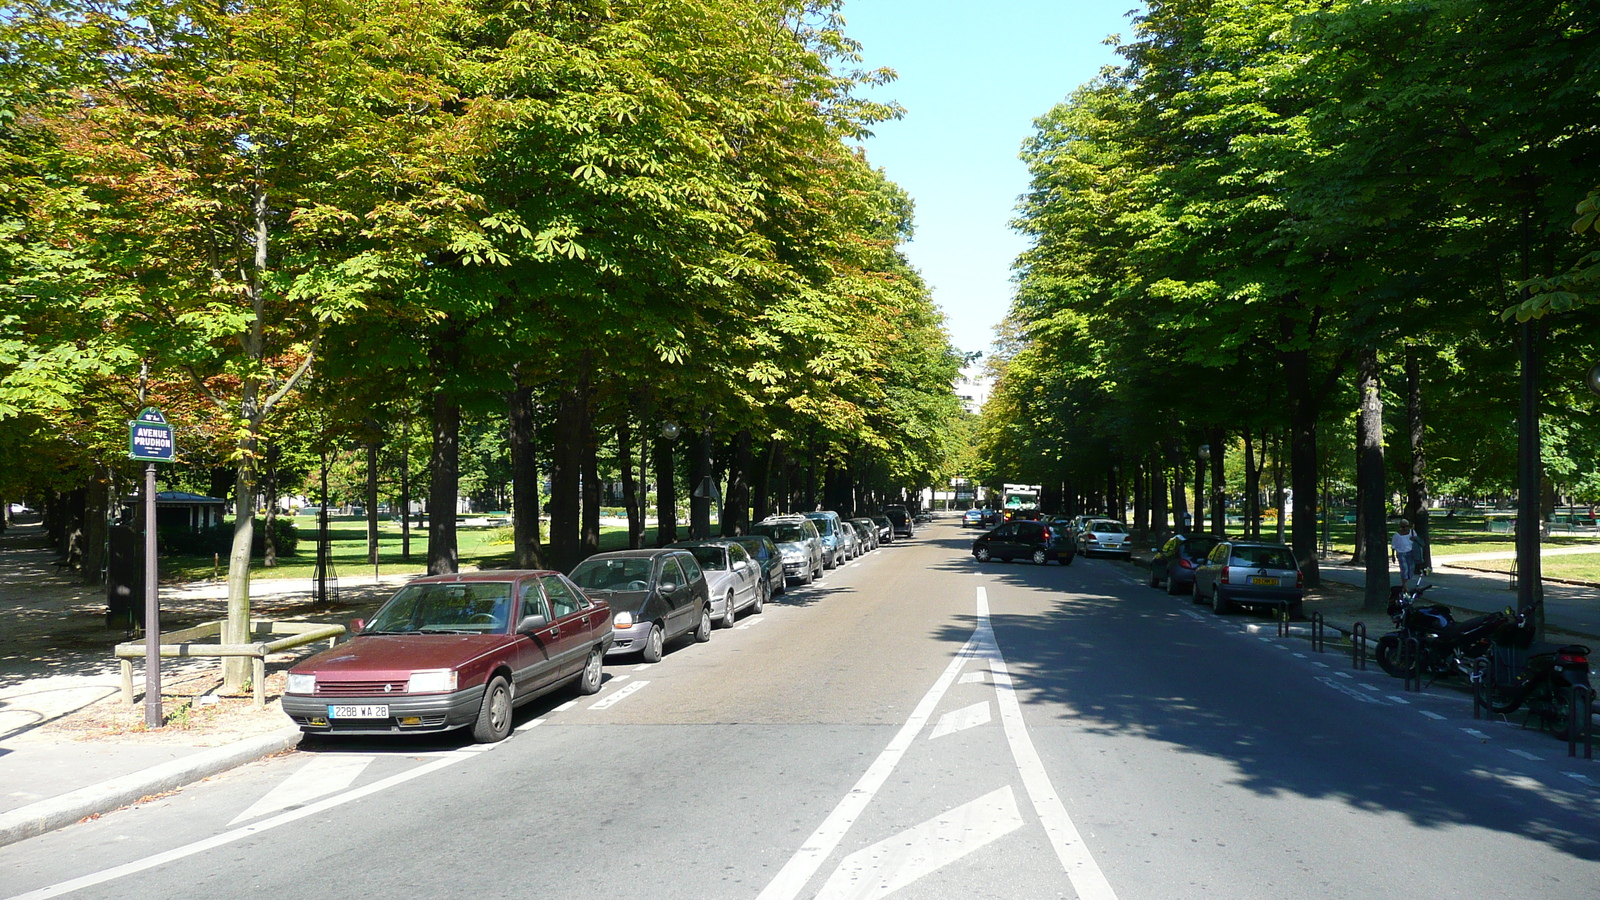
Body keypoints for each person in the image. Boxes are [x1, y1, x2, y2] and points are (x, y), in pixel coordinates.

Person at [1391, 519, 1419, 583]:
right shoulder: (1396, 535)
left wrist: (1414, 539)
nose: (1405, 528)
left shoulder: (1412, 532)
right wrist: (1393, 555)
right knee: (1404, 569)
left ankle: (1405, 582)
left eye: (1407, 526)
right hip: (1401, 553)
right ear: (1400, 527)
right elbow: (1393, 546)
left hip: (1411, 552)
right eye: (1403, 527)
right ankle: (1404, 585)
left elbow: (1417, 541)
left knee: (1411, 569)